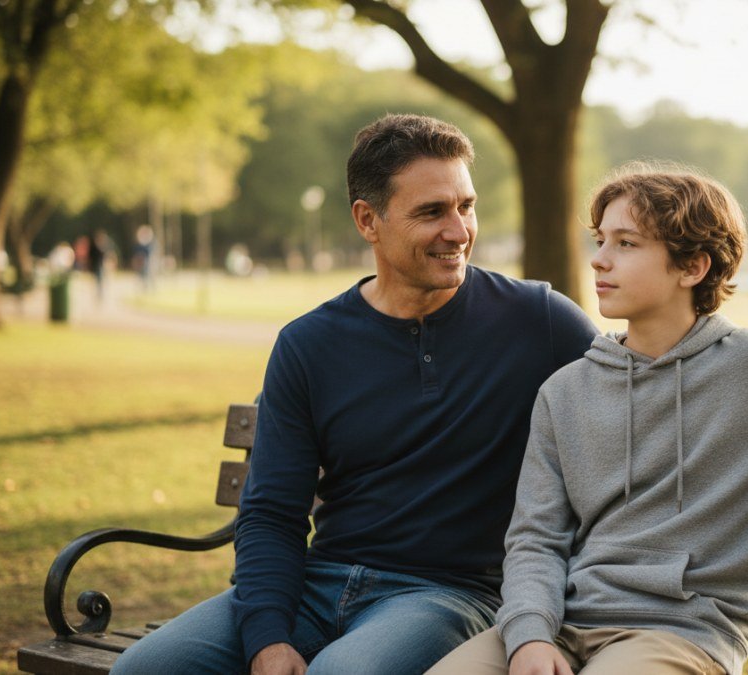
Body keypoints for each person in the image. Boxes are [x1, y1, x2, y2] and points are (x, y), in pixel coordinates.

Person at [111, 114, 598, 675]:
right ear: (369, 220)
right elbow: (271, 512)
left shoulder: (539, 321)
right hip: (318, 585)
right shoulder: (309, 344)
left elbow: (637, 400)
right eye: (431, 212)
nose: (460, 230)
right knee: (142, 669)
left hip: (448, 595)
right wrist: (268, 638)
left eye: (465, 206)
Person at [429, 166, 748, 675]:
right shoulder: (564, 392)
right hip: (560, 624)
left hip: (681, 631)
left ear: (692, 267)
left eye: (626, 244)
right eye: (601, 240)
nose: (599, 260)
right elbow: (535, 540)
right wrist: (528, 639)